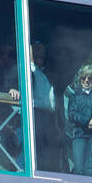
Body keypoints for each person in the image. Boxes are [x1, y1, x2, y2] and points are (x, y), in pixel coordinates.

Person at [30, 39, 59, 170]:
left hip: (49, 117)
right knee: (38, 148)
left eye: (43, 51)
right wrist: (13, 88)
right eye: (37, 50)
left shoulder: (45, 74)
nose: (41, 54)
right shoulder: (27, 70)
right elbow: (12, 83)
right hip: (35, 114)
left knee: (50, 150)